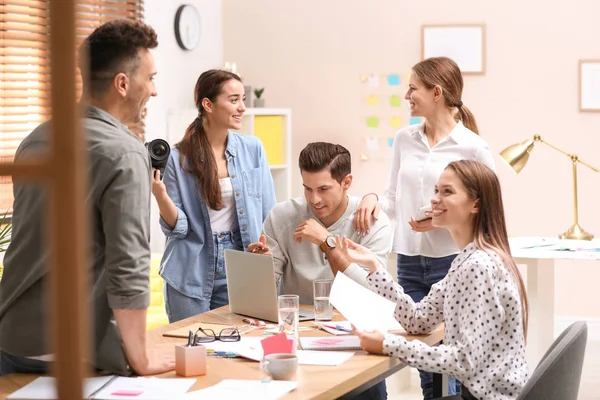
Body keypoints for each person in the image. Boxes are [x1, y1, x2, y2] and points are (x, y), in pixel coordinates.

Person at [0, 20, 174, 376]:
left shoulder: (37, 138)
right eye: (151, 78)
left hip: (12, 337)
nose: (154, 90)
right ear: (122, 84)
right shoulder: (125, 153)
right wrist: (140, 357)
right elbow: (129, 263)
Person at [353, 56, 495, 399]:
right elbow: (391, 199)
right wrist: (372, 198)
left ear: (436, 92)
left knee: (451, 364)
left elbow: (488, 208)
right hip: (409, 262)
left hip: (452, 261)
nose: (406, 95)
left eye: (413, 88)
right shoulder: (404, 139)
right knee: (423, 364)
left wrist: (441, 219)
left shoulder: (473, 146)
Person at [339, 160, 529, 400]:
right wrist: (374, 266)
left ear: (476, 203)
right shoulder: (466, 260)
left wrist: (388, 344)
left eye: (447, 192)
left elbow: (465, 361)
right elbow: (417, 321)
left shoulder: (478, 266)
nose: (435, 199)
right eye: (436, 191)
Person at [248, 142, 391, 400]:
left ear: (346, 182)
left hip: (357, 342)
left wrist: (327, 242)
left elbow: (368, 296)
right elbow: (263, 297)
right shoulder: (281, 215)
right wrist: (259, 268)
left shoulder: (372, 223)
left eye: (324, 189)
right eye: (307, 188)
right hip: (299, 344)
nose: (314, 199)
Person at [152, 69, 276, 323]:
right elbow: (178, 229)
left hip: (240, 263)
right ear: (208, 104)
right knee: (192, 348)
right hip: (190, 266)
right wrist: (160, 195)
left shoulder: (253, 149)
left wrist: (265, 249)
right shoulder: (178, 158)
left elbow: (268, 210)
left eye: (243, 99)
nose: (242, 107)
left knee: (238, 346)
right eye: (233, 100)